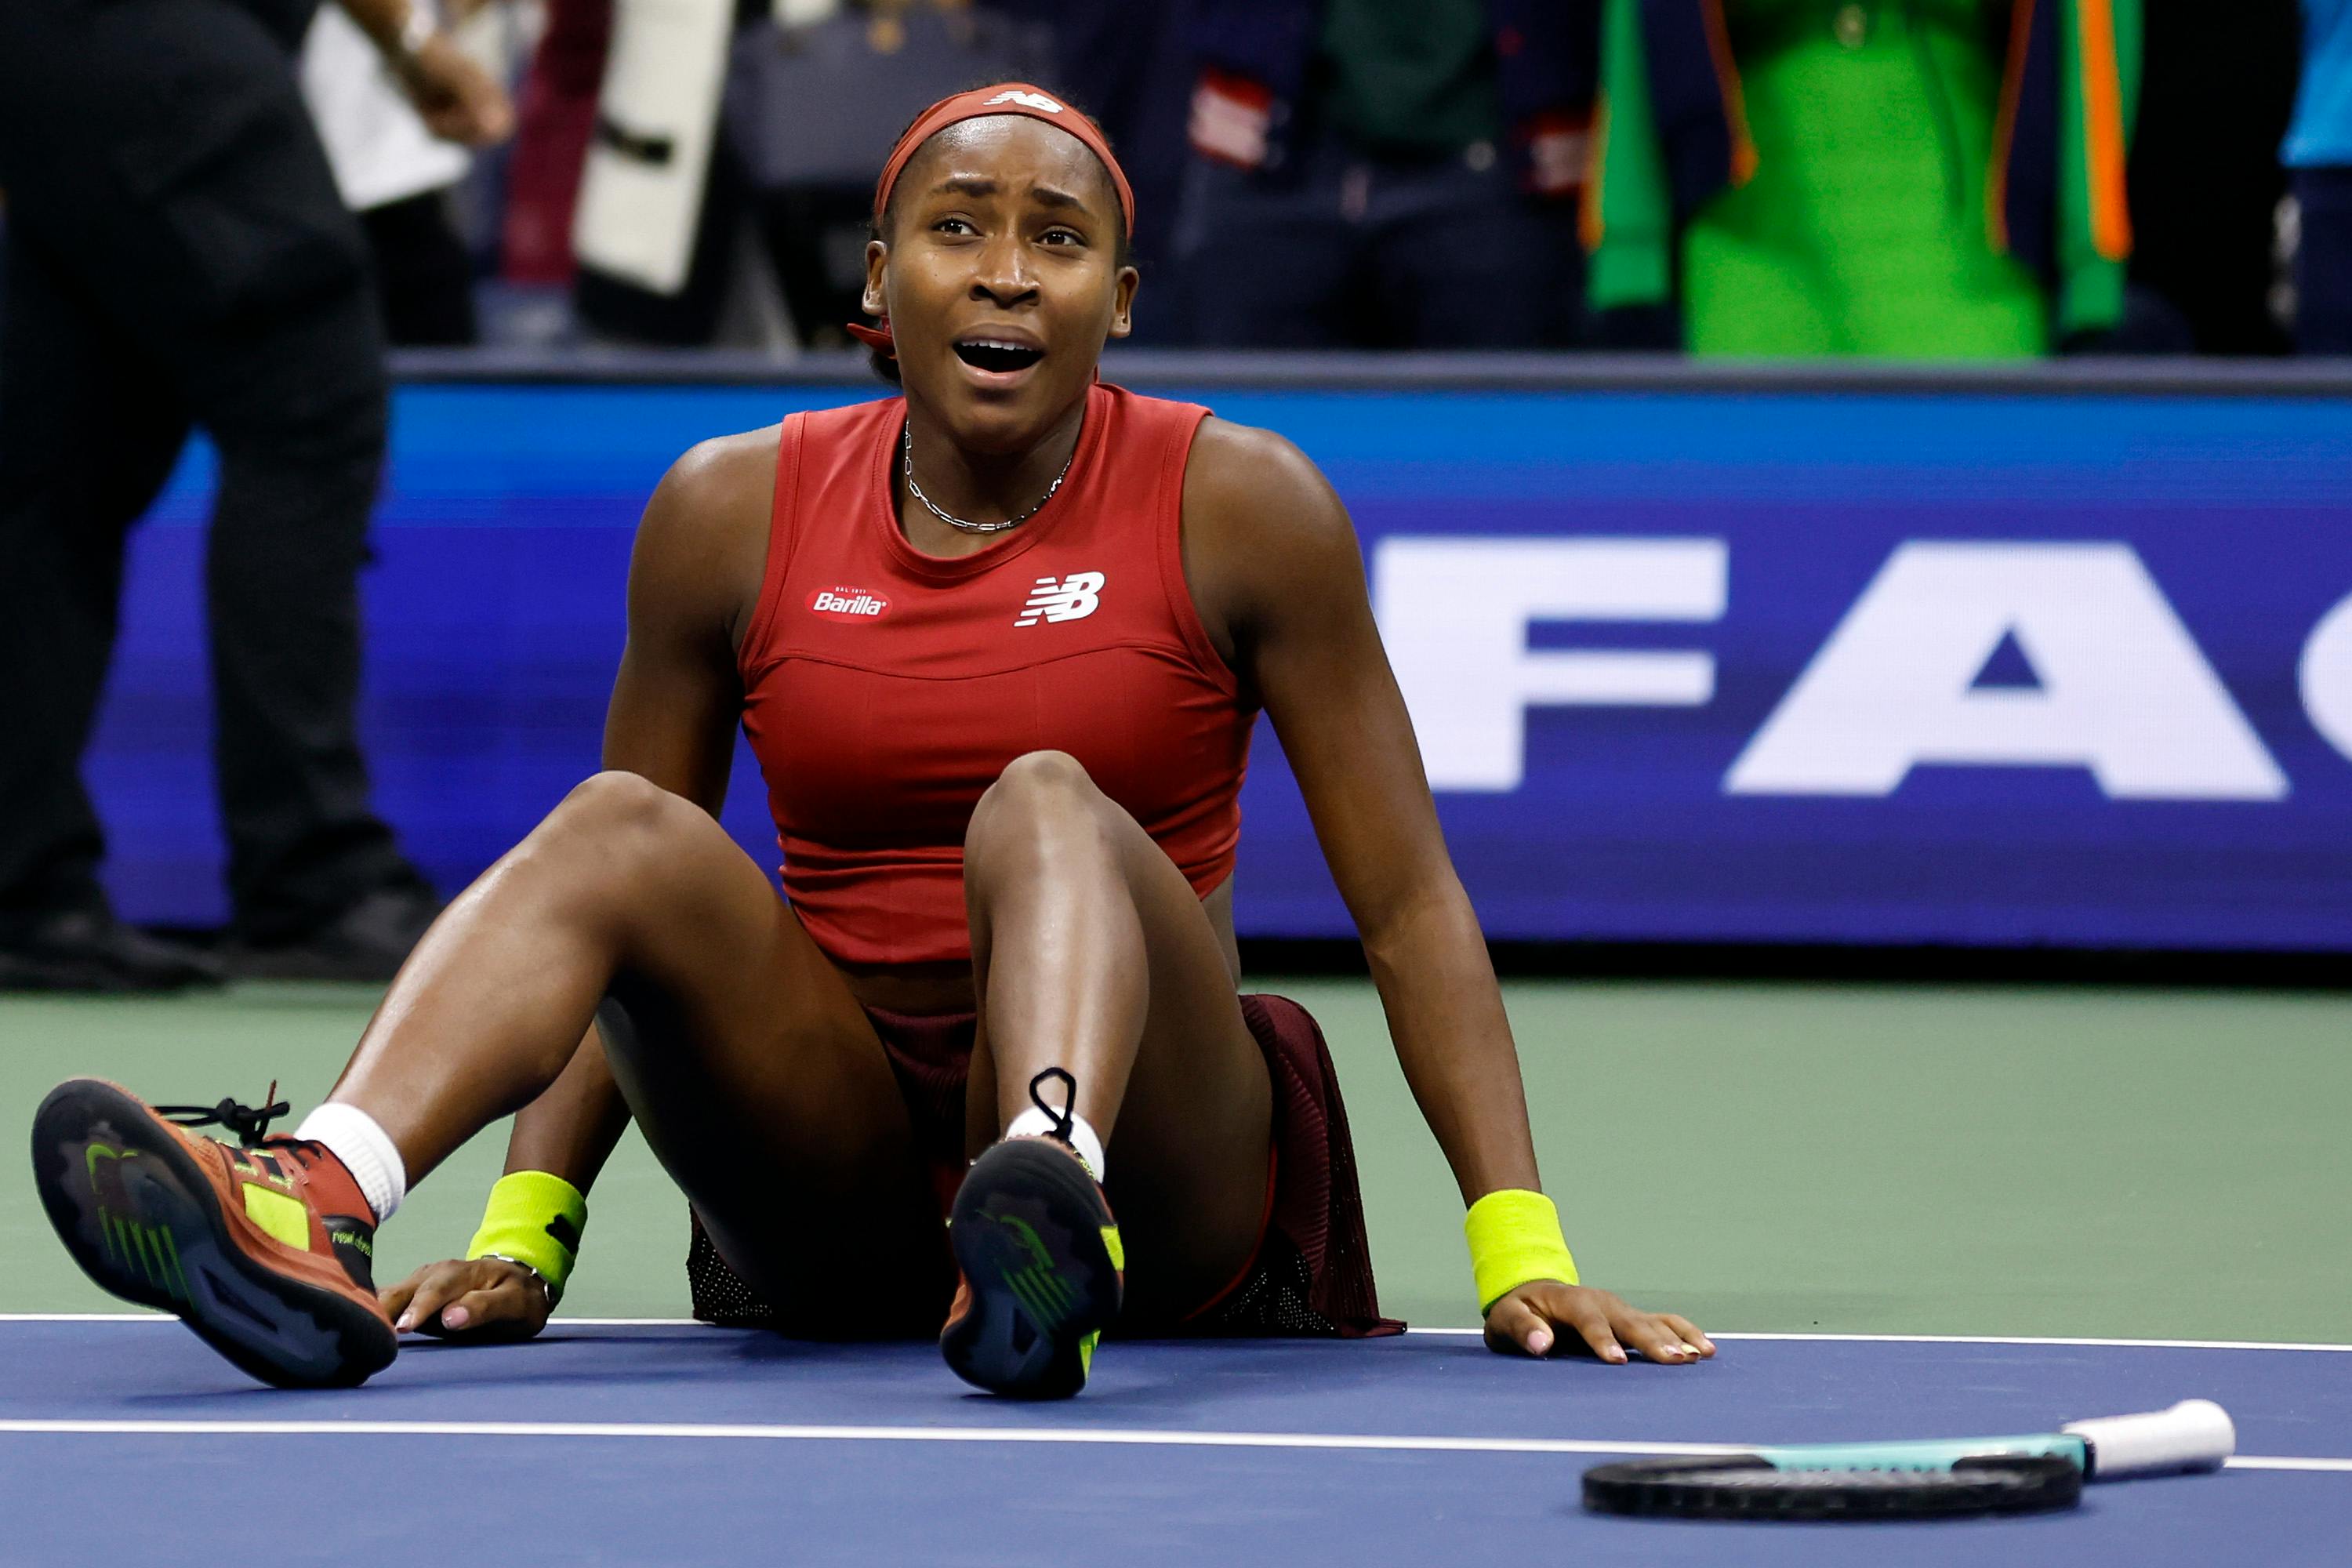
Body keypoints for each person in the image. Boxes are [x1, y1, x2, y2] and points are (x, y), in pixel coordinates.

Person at [30, 84, 1713, 1397]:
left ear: (1118, 299)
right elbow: (621, 940)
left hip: (1166, 1157)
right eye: (957, 226)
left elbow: (1410, 904)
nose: (1002, 267)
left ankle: (1044, 1198)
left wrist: (1519, 1247)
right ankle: (314, 1196)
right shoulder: (729, 509)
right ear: (876, 276)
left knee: (1044, 797)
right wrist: (528, 1231)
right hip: (827, 1155)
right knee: (621, 819)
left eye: (1055, 240)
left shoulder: (1244, 504)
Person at [0, 0, 509, 991]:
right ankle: (315, 880)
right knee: (308, 405)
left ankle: (24, 885)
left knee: (59, 448)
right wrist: (408, 41)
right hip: (158, 39)